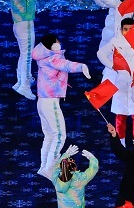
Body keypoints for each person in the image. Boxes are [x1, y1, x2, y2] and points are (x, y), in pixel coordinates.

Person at [31, 34, 90, 178]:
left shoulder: (44, 58)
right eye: (57, 42)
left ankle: (44, 167)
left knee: (49, 136)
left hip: (42, 101)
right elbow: (66, 65)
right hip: (50, 102)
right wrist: (82, 66)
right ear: (52, 45)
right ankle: (50, 168)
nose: (60, 43)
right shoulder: (53, 58)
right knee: (59, 136)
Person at [1, 0, 45, 99]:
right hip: (25, 25)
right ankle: (25, 86)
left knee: (23, 54)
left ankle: (20, 82)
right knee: (27, 56)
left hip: (19, 24)